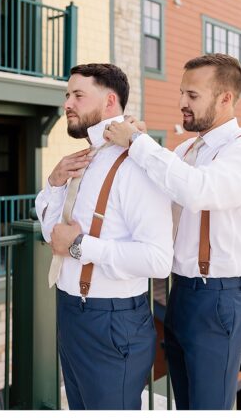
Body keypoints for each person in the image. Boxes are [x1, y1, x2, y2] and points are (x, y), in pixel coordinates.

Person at [104, 53, 241, 410]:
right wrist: (136, 145)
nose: (181, 103)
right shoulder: (184, 151)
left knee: (210, 405)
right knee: (187, 404)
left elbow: (197, 190)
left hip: (219, 297)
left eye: (192, 95)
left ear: (225, 98)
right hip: (180, 291)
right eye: (182, 93)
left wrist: (138, 143)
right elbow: (160, 191)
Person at [35, 63, 173, 409]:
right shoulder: (84, 159)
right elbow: (54, 232)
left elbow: (158, 259)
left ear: (110, 102)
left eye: (78, 95)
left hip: (112, 321)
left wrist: (81, 246)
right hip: (71, 311)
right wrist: (53, 184)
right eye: (67, 95)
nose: (67, 103)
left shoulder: (136, 167)